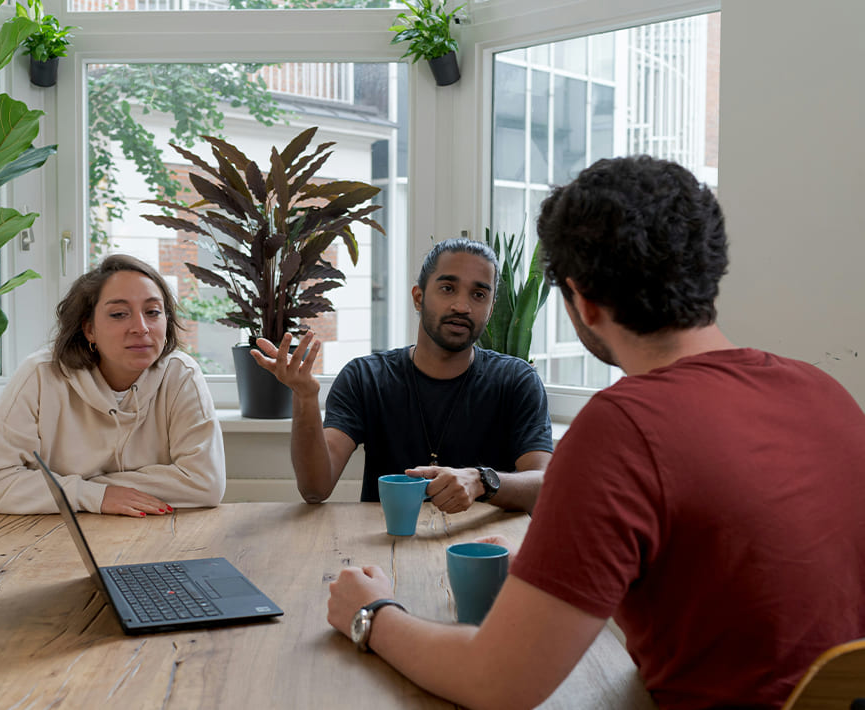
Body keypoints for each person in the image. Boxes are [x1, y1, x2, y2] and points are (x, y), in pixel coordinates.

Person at [323, 156, 865, 709]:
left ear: (580, 299)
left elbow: (495, 683)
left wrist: (372, 613)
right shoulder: (827, 394)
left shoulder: (622, 427)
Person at [253, 238, 553, 514]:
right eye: (448, 288)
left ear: (490, 309)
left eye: (478, 294)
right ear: (418, 298)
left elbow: (544, 486)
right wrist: (305, 398)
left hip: (480, 552)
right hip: (384, 552)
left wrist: (481, 481)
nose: (462, 306)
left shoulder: (517, 380)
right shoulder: (365, 378)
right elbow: (315, 489)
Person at [0, 254, 226, 517]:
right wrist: (92, 495)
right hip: (51, 537)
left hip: (155, 531)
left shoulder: (181, 374)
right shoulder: (40, 375)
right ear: (89, 329)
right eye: (119, 314)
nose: (141, 327)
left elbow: (206, 484)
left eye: (153, 312)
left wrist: (76, 488)